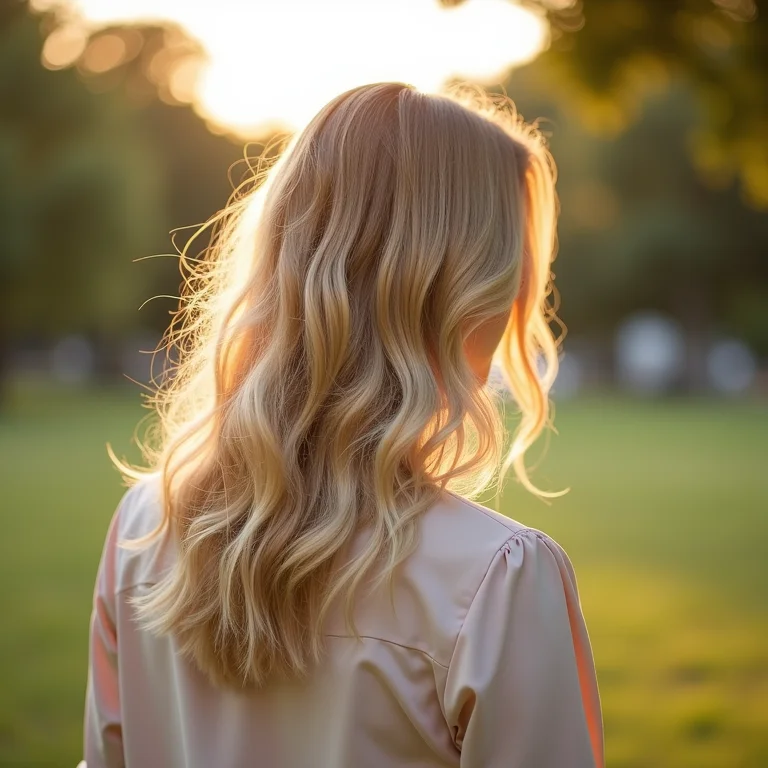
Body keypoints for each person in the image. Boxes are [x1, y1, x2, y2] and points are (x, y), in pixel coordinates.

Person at [82, 81, 604, 767]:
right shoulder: (496, 578)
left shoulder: (144, 527)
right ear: (450, 289)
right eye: (507, 266)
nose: (515, 305)